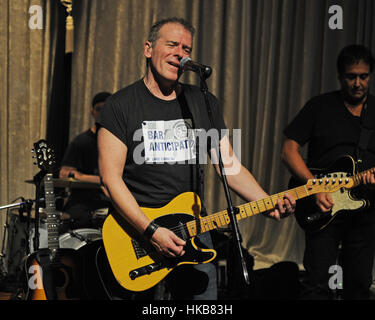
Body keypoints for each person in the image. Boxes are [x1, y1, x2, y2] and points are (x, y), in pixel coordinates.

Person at [97, 17, 295, 300]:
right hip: (136, 233)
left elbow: (229, 167)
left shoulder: (202, 102)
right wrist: (151, 231)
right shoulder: (121, 105)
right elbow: (110, 180)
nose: (180, 52)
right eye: (172, 44)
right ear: (148, 49)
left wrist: (265, 201)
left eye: (186, 47)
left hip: (192, 229)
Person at [282, 44, 375, 299]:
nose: (357, 83)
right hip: (323, 205)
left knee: (359, 284)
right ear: (340, 76)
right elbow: (289, 150)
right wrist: (315, 187)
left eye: (364, 76)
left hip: (365, 208)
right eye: (351, 76)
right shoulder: (320, 106)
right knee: (317, 284)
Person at [59, 92, 112, 230]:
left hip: (111, 199)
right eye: (99, 109)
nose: (102, 113)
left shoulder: (119, 142)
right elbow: (64, 174)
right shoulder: (81, 142)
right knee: (76, 219)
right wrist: (97, 179)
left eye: (106, 110)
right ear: (92, 112)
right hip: (83, 201)